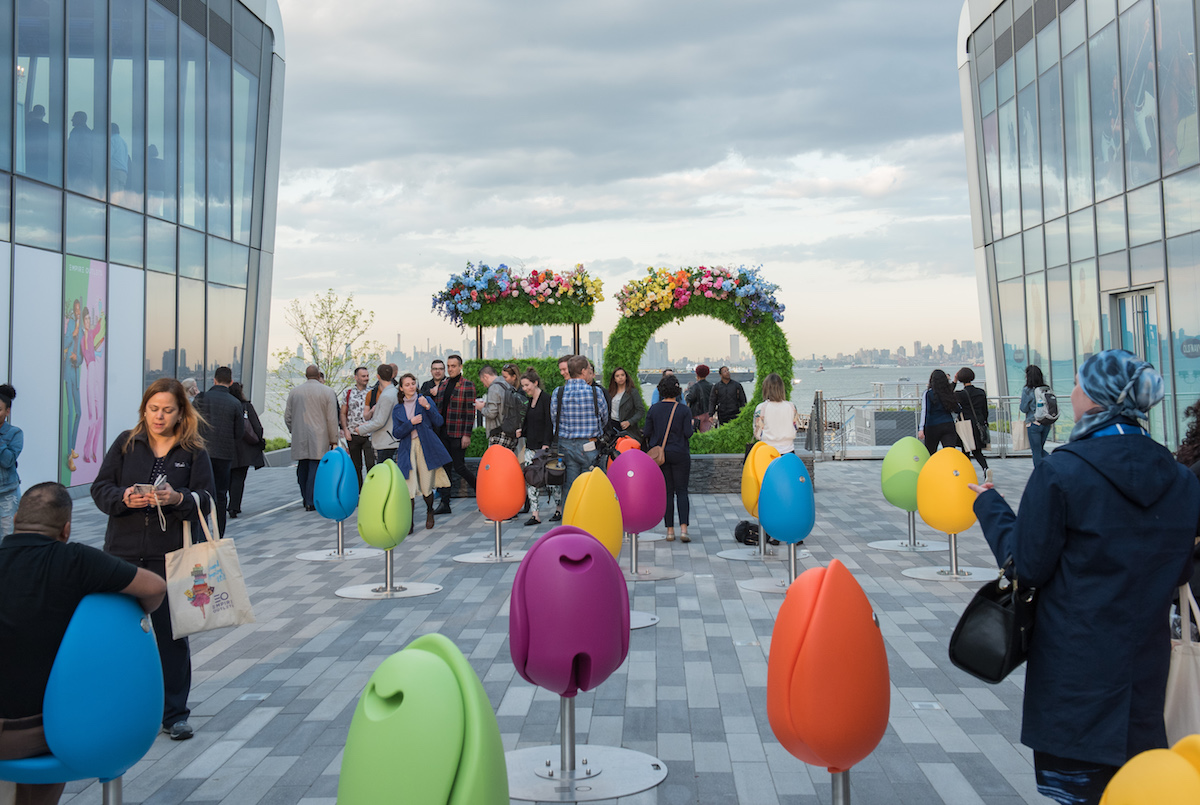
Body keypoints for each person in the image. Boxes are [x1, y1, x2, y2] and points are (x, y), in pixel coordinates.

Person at [968, 350, 1199, 805]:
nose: (1070, 392)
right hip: (1144, 680)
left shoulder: (1062, 471)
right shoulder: (1182, 480)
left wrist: (990, 506)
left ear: (1094, 397)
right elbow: (1177, 569)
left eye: (1076, 384)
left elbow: (1028, 567)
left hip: (1074, 681)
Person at [0, 483, 166, 805]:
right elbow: (155, 588)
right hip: (40, 733)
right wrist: (121, 618)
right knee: (58, 721)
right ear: (65, 529)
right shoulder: (76, 560)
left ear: (16, 518)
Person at [91, 378, 216, 742]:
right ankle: (120, 709)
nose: (159, 416)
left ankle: (174, 714)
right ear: (144, 409)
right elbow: (101, 489)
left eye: (167, 410)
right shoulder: (126, 444)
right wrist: (124, 497)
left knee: (171, 639)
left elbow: (208, 500)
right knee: (118, 635)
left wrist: (178, 500)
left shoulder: (193, 451)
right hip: (123, 555)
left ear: (181, 412)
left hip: (171, 559)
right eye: (153, 409)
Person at [392, 373, 451, 533]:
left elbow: (439, 421)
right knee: (408, 486)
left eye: (413, 383)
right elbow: (396, 433)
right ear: (402, 388)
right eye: (407, 384)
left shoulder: (424, 400)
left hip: (426, 447)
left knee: (426, 486)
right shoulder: (398, 408)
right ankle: (409, 521)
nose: (411, 387)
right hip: (407, 449)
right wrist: (410, 423)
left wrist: (427, 407)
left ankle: (429, 511)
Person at [550, 355, 608, 514]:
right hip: (590, 444)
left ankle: (570, 523)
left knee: (569, 487)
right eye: (589, 368)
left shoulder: (558, 392)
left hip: (566, 446)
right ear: (583, 371)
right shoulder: (595, 392)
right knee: (592, 486)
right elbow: (604, 418)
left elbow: (554, 419)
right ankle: (591, 523)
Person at [193, 366, 242, 535]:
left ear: (214, 380)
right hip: (224, 454)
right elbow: (239, 433)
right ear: (230, 382)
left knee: (200, 493)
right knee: (220, 495)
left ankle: (200, 532)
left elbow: (190, 424)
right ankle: (218, 534)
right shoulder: (235, 403)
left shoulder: (201, 398)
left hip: (200, 454)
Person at [644, 374, 694, 542]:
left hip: (661, 456)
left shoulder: (654, 409)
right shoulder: (684, 410)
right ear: (678, 390)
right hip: (680, 453)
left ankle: (670, 531)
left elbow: (647, 433)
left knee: (667, 493)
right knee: (682, 491)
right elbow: (688, 433)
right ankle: (684, 530)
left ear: (661, 391)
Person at [284, 365, 339, 511]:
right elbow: (332, 418)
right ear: (318, 375)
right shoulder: (328, 392)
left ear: (305, 375)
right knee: (315, 467)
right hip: (320, 435)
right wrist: (334, 439)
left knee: (302, 467)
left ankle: (305, 497)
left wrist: (293, 430)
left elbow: (287, 416)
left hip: (300, 435)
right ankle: (311, 500)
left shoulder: (294, 392)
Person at [431, 355, 477, 515]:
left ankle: (481, 490)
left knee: (459, 466)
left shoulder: (467, 385)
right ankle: (445, 502)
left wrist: (467, 435)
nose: (450, 369)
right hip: (442, 432)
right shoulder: (443, 385)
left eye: (453, 366)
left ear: (460, 367)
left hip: (458, 432)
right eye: (448, 366)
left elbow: (470, 413)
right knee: (445, 468)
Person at [518, 369, 552, 526]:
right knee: (531, 479)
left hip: (543, 447)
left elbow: (548, 423)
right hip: (530, 445)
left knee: (551, 480)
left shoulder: (546, 399)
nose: (525, 388)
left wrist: (546, 443)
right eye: (523, 386)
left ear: (535, 383)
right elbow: (529, 422)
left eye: (527, 385)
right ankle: (535, 514)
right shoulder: (528, 400)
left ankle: (558, 508)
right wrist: (521, 431)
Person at [227, 382, 265, 519]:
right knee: (239, 478)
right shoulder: (246, 406)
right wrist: (259, 440)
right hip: (244, 450)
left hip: (227, 448)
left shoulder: (227, 406)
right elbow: (257, 427)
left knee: (228, 477)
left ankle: (226, 503)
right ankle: (234, 506)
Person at [356, 364, 399, 463]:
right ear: (392, 375)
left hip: (386, 442)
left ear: (378, 376)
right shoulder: (394, 392)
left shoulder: (386, 395)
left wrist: (361, 429)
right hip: (391, 440)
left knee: (385, 474)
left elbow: (380, 422)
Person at [340, 366, 375, 487]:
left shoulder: (373, 392)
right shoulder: (348, 393)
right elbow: (343, 413)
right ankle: (358, 491)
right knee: (356, 465)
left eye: (367, 376)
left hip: (369, 434)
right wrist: (345, 430)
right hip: (353, 434)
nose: (366, 378)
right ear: (356, 377)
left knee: (371, 464)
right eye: (363, 376)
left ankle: (372, 490)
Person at [954, 367, 991, 480]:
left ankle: (967, 473)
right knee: (976, 450)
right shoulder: (981, 392)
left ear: (960, 379)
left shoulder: (959, 394)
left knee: (966, 450)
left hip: (966, 425)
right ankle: (985, 468)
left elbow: (951, 402)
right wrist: (984, 422)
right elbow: (985, 410)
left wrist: (954, 381)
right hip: (979, 423)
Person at [753, 373, 801, 454]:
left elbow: (757, 433)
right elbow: (796, 426)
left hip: (767, 451)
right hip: (788, 450)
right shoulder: (791, 406)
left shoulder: (761, 408)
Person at [917, 369, 960, 453]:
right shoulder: (948, 393)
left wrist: (921, 428)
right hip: (948, 425)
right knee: (950, 453)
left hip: (932, 426)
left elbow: (925, 411)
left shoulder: (928, 393)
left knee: (930, 453)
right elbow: (957, 409)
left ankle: (932, 466)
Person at [476, 365, 517, 450]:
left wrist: (481, 408)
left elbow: (491, 413)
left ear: (486, 376)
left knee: (494, 462)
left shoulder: (494, 387)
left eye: (483, 381)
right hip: (510, 433)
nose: (484, 385)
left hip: (498, 433)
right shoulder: (507, 385)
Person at [0, 386, 22, 535]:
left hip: (7, 494)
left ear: (7, 411)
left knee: (7, 538)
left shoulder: (15, 433)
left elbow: (8, 461)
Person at [1020, 365, 1051, 468]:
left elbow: (1023, 408)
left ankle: (1040, 474)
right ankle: (1053, 464)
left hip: (1033, 424)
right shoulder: (1046, 388)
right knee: (1040, 449)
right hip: (1046, 422)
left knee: (1036, 452)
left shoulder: (1027, 390)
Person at [607, 366, 645, 445]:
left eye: (622, 375)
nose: (620, 378)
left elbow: (641, 410)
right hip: (612, 426)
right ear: (614, 379)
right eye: (617, 376)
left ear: (626, 377)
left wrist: (630, 422)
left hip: (627, 427)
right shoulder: (610, 392)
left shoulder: (632, 392)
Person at [686, 364, 714, 432]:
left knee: (697, 435)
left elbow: (689, 398)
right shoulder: (711, 386)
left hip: (697, 414)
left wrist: (686, 393)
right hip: (709, 414)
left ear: (697, 373)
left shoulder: (694, 386)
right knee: (707, 433)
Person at [109, 122, 129, 193]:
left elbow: (108, 155)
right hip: (123, 173)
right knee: (119, 197)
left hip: (115, 171)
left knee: (113, 195)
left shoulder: (112, 140)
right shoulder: (123, 142)